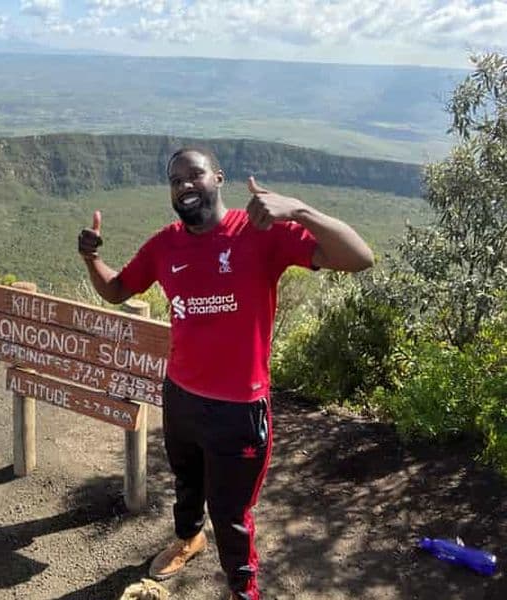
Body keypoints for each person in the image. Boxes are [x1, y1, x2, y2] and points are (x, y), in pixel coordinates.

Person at [77, 147, 373, 600]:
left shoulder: (261, 233)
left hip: (239, 409)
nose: (184, 185)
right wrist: (91, 259)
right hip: (180, 395)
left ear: (218, 177)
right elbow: (117, 290)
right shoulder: (164, 244)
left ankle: (243, 589)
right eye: (175, 180)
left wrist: (297, 209)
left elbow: (359, 257)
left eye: (194, 175)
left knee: (232, 513)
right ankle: (188, 539)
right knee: (187, 483)